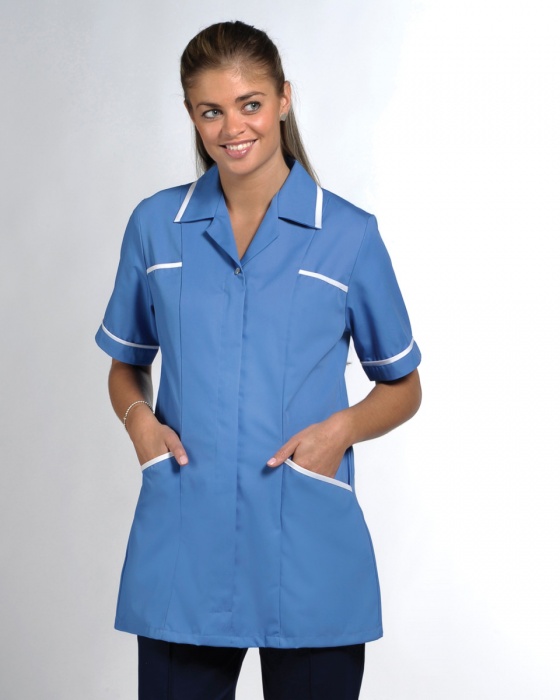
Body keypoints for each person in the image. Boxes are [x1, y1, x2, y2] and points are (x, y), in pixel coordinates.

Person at [95, 20, 422, 700]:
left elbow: (403, 386)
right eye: (210, 110)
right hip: (185, 541)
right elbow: (126, 363)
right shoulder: (155, 227)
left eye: (250, 104)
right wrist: (139, 423)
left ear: (283, 99)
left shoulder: (349, 235)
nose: (232, 127)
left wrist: (340, 431)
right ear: (192, 115)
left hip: (305, 544)